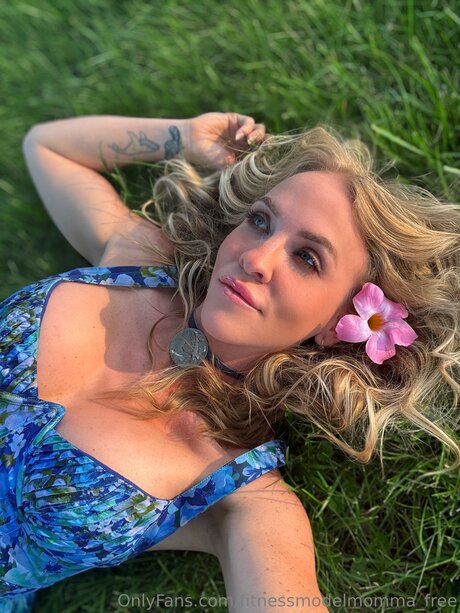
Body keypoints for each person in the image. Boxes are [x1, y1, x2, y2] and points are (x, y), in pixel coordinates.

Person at [1, 111, 458, 612]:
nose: (256, 258)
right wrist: (181, 136)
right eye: (260, 221)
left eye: (307, 258)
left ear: (337, 323)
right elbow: (45, 146)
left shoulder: (240, 489)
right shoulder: (141, 262)